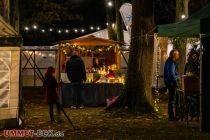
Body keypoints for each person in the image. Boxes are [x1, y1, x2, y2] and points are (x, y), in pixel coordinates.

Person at [164, 49, 180, 121]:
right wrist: (176, 80)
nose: (178, 55)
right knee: (172, 100)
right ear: (174, 55)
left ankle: (172, 115)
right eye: (177, 54)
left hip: (169, 82)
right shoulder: (171, 62)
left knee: (172, 99)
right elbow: (172, 73)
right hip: (172, 83)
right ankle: (172, 116)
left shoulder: (169, 61)